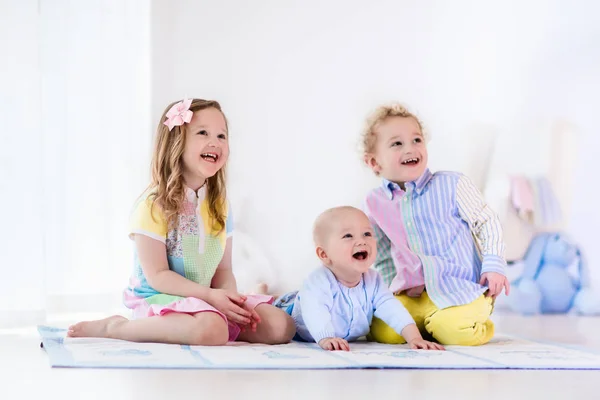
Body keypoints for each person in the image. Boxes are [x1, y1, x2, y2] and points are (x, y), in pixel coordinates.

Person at [68, 98, 296, 345]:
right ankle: (116, 327)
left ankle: (218, 321)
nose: (215, 142)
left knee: (280, 326)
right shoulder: (153, 205)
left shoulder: (219, 205)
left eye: (222, 136)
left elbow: (223, 271)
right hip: (162, 297)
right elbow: (158, 276)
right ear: (177, 142)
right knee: (212, 330)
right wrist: (210, 296)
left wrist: (230, 300)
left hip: (208, 300)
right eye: (203, 133)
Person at [361, 102, 510, 346]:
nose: (411, 148)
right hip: (413, 294)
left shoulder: (452, 184)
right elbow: (384, 253)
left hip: (459, 288)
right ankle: (428, 323)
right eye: (397, 143)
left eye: (417, 140)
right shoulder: (374, 202)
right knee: (383, 330)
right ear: (375, 163)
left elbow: (487, 221)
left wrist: (493, 265)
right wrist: (391, 289)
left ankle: (468, 321)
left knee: (452, 329)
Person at [275, 206, 444, 351]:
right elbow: (315, 310)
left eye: (367, 234)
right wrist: (325, 338)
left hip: (332, 326)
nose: (361, 241)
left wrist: (414, 338)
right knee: (277, 315)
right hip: (294, 313)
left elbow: (392, 308)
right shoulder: (318, 282)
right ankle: (266, 295)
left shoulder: (374, 280)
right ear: (324, 254)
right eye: (348, 236)